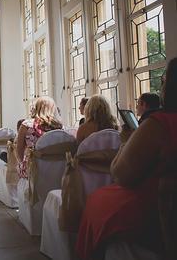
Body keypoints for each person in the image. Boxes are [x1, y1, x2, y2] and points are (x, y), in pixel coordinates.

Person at [76, 58, 177, 260]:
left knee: (98, 202)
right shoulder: (115, 126)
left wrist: (125, 142)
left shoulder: (159, 125)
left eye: (164, 80)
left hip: (156, 210)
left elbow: (121, 174)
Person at [16, 96, 63, 179]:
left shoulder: (26, 125)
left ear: (37, 107)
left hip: (33, 167)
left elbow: (19, 150)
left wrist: (21, 163)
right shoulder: (58, 126)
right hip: (56, 167)